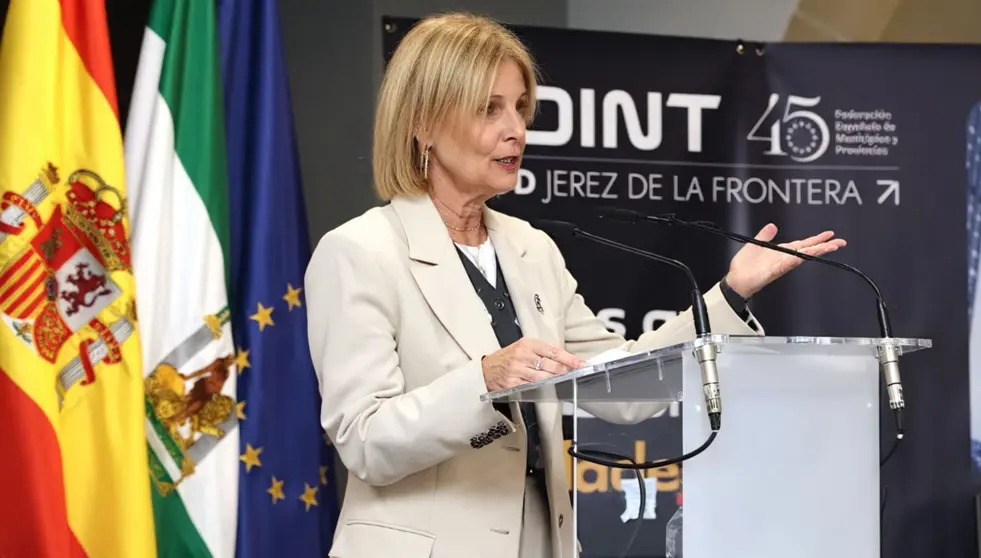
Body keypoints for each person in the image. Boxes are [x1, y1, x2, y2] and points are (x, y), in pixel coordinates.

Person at [304, 12, 845, 558]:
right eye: (489, 108)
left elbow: (623, 388)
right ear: (422, 123)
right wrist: (484, 382)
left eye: (520, 107)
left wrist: (729, 294)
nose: (515, 128)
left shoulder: (531, 249)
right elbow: (364, 441)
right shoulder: (361, 252)